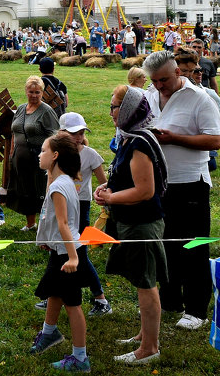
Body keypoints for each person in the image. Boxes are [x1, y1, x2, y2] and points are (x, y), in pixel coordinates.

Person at [144, 49, 220, 332]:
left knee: (194, 245)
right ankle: (170, 301)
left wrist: (174, 139)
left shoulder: (199, 98)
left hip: (191, 183)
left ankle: (196, 309)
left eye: (163, 80)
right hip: (158, 184)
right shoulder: (151, 95)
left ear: (178, 72)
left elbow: (215, 141)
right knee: (166, 245)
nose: (159, 86)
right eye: (153, 81)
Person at [96, 85, 167, 366]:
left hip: (142, 223)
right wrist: (108, 186)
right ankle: (144, 334)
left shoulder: (139, 142)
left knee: (146, 284)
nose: (111, 111)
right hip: (131, 220)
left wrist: (112, 196)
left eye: (114, 106)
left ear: (127, 111)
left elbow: (145, 191)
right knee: (141, 281)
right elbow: (125, 178)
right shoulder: (129, 138)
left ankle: (150, 347)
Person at [27, 134, 95, 372]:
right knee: (53, 292)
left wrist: (74, 258)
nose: (39, 154)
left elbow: (64, 224)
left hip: (68, 254)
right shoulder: (62, 180)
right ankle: (49, 333)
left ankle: (80, 358)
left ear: (55, 156)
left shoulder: (59, 186)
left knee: (72, 304)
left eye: (44, 151)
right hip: (62, 250)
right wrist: (49, 240)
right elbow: (52, 219)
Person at [44, 113, 111, 316]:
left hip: (79, 207)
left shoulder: (90, 155)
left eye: (81, 133)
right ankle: (53, 295)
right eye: (74, 133)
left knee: (79, 253)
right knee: (57, 251)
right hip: (58, 206)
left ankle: (101, 299)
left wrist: (106, 199)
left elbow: (104, 182)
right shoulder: (55, 155)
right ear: (61, 133)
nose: (79, 138)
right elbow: (49, 184)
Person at [6, 75, 59, 230]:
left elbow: (54, 136)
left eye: (37, 92)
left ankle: (45, 223)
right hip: (19, 156)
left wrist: (49, 155)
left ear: (42, 93)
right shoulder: (21, 109)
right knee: (24, 188)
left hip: (37, 157)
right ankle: (30, 223)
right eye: (31, 92)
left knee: (37, 189)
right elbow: (14, 132)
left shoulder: (46, 111)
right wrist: (11, 153)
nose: (34, 95)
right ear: (26, 91)